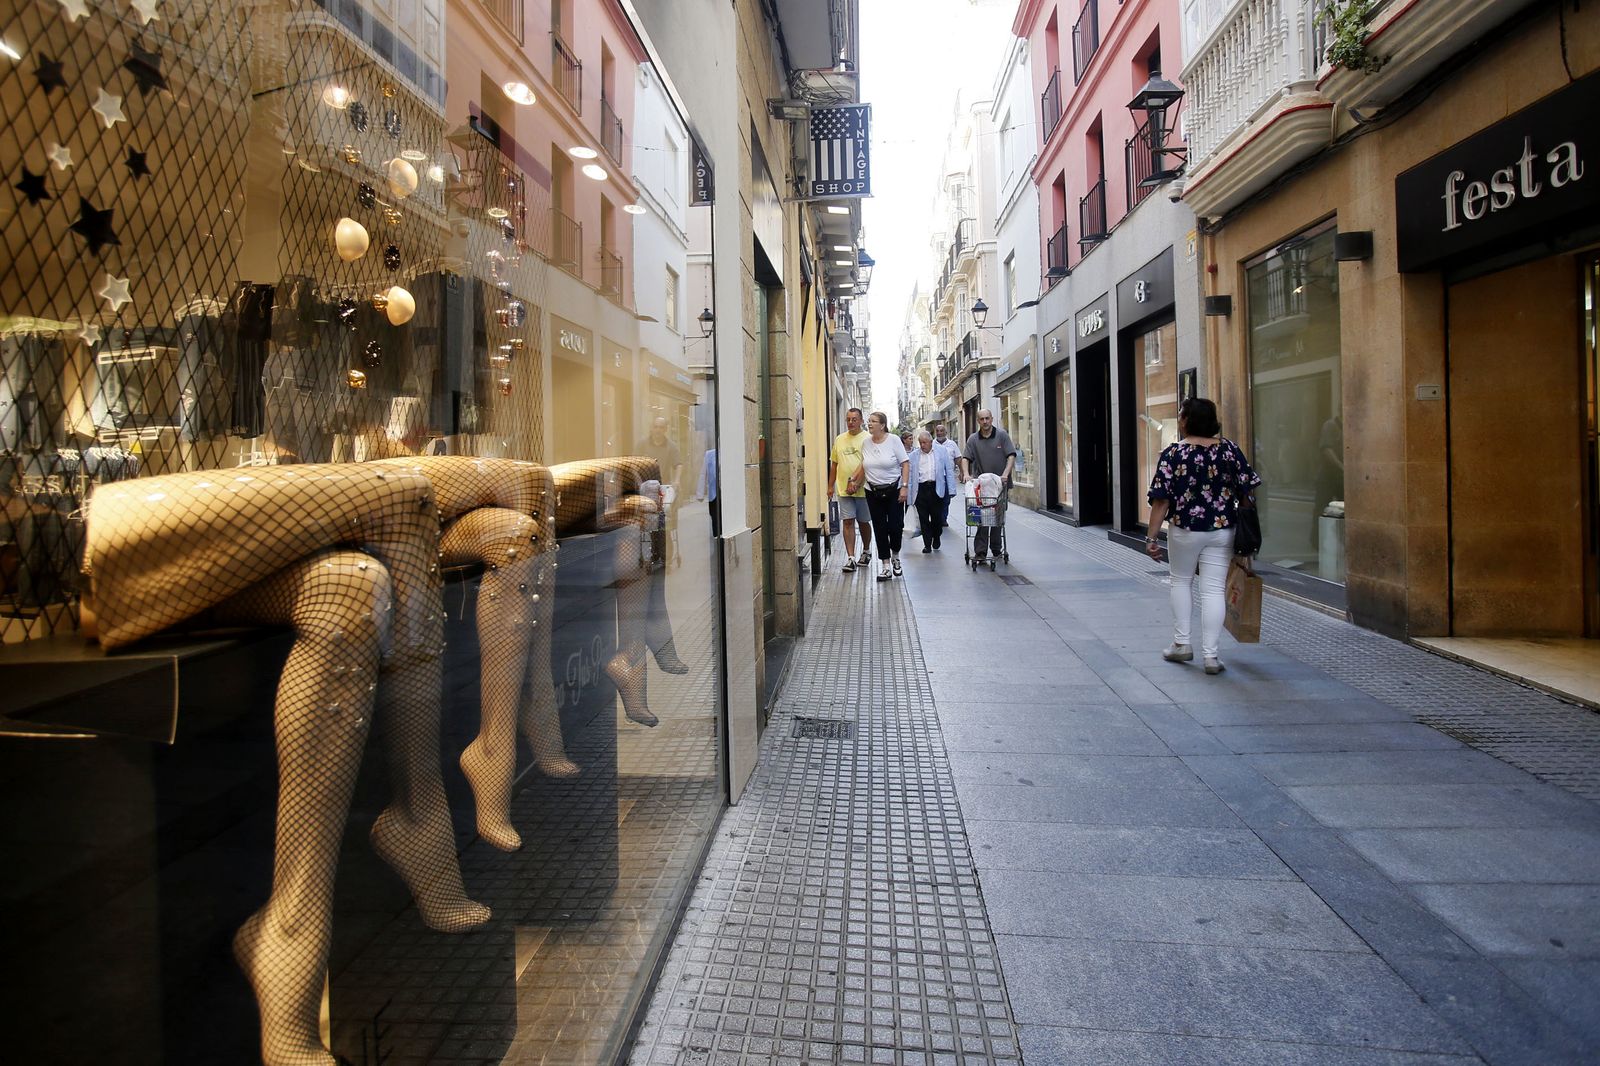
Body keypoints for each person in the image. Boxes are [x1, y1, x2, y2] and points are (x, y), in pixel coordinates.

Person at [1145, 397, 1262, 675]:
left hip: (1185, 529)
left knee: (1181, 582)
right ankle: (1211, 657)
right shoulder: (1230, 450)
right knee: (1212, 589)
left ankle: (1182, 644)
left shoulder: (1174, 453)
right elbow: (1247, 492)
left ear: (1186, 420)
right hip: (1222, 529)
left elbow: (1161, 501)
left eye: (1181, 416)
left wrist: (1151, 539)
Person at [957, 409, 1016, 563]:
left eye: (987, 418)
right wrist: (966, 474)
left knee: (997, 518)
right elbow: (965, 458)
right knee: (982, 519)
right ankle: (980, 552)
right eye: (982, 419)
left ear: (992, 419)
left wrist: (1006, 474)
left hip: (999, 486)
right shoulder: (973, 439)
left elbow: (1010, 456)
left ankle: (996, 549)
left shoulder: (1001, 435)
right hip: (981, 486)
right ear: (978, 421)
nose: (985, 422)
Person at [861, 410, 910, 579]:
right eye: (869, 421)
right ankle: (886, 565)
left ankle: (896, 556)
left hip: (894, 490)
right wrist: (853, 480)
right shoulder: (866, 443)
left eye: (873, 421)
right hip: (872, 491)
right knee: (879, 528)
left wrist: (904, 487)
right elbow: (863, 465)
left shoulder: (894, 440)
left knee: (895, 526)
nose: (870, 424)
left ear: (882, 425)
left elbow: (905, 464)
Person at [827, 407, 873, 572]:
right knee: (847, 522)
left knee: (863, 522)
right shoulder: (839, 439)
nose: (851, 422)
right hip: (844, 489)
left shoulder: (868, 438)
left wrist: (857, 482)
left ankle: (866, 550)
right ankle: (851, 558)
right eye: (848, 419)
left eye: (854, 419)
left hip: (864, 489)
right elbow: (834, 464)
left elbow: (869, 462)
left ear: (861, 421)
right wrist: (830, 486)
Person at [637, 416, 683, 566]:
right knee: (651, 523)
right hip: (647, 488)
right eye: (655, 426)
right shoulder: (642, 444)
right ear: (651, 428)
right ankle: (656, 553)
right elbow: (634, 462)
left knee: (664, 523)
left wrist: (676, 480)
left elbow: (678, 464)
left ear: (665, 430)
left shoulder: (671, 446)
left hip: (664, 490)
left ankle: (665, 554)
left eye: (661, 427)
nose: (658, 430)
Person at [907, 429, 958, 552]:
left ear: (931, 442)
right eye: (920, 443)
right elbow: (910, 476)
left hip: (936, 488)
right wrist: (908, 496)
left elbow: (949, 471)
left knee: (937, 518)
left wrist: (951, 489)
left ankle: (936, 535)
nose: (922, 445)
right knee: (923, 518)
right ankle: (927, 544)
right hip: (921, 490)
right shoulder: (913, 456)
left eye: (925, 442)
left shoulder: (941, 452)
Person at [933, 422, 961, 529]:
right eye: (938, 431)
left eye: (941, 431)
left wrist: (962, 472)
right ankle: (937, 518)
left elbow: (958, 458)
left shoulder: (952, 444)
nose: (939, 433)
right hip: (935, 476)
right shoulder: (932, 444)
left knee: (946, 499)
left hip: (948, 476)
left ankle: (943, 519)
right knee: (936, 499)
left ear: (946, 432)